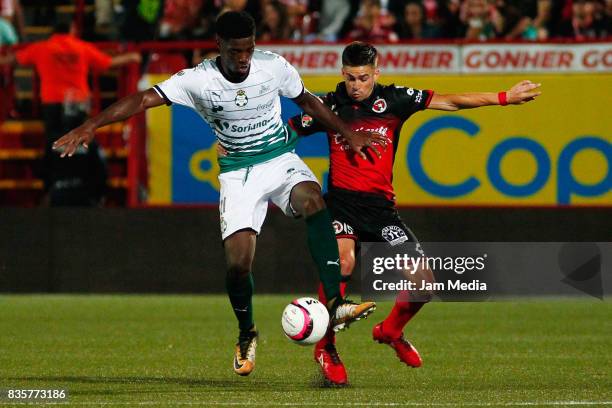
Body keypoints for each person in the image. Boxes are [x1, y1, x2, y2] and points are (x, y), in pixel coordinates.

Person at [52, 12, 385, 377]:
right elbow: (143, 99)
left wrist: (346, 133)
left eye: (249, 49)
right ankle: (247, 333)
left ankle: (335, 302)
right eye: (236, 51)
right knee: (238, 264)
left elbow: (308, 102)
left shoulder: (273, 67)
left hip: (278, 158)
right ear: (219, 46)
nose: (244, 58)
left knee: (314, 200)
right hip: (238, 173)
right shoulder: (198, 80)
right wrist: (91, 125)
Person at [286, 42, 541, 385]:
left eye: (363, 77)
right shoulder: (329, 105)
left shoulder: (395, 99)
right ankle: (326, 347)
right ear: (342, 74)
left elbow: (450, 101)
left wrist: (503, 97)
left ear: (377, 73)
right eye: (350, 78)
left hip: (381, 211)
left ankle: (390, 330)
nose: (356, 85)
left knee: (424, 283)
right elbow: (287, 131)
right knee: (343, 262)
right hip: (341, 205)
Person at [0, 20, 141, 206]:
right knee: (79, 144)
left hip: (52, 104)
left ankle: (53, 186)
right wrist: (131, 57)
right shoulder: (80, 47)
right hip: (77, 103)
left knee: (53, 145)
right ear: (72, 30)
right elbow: (107, 63)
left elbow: (15, 59)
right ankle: (80, 186)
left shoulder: (43, 47)